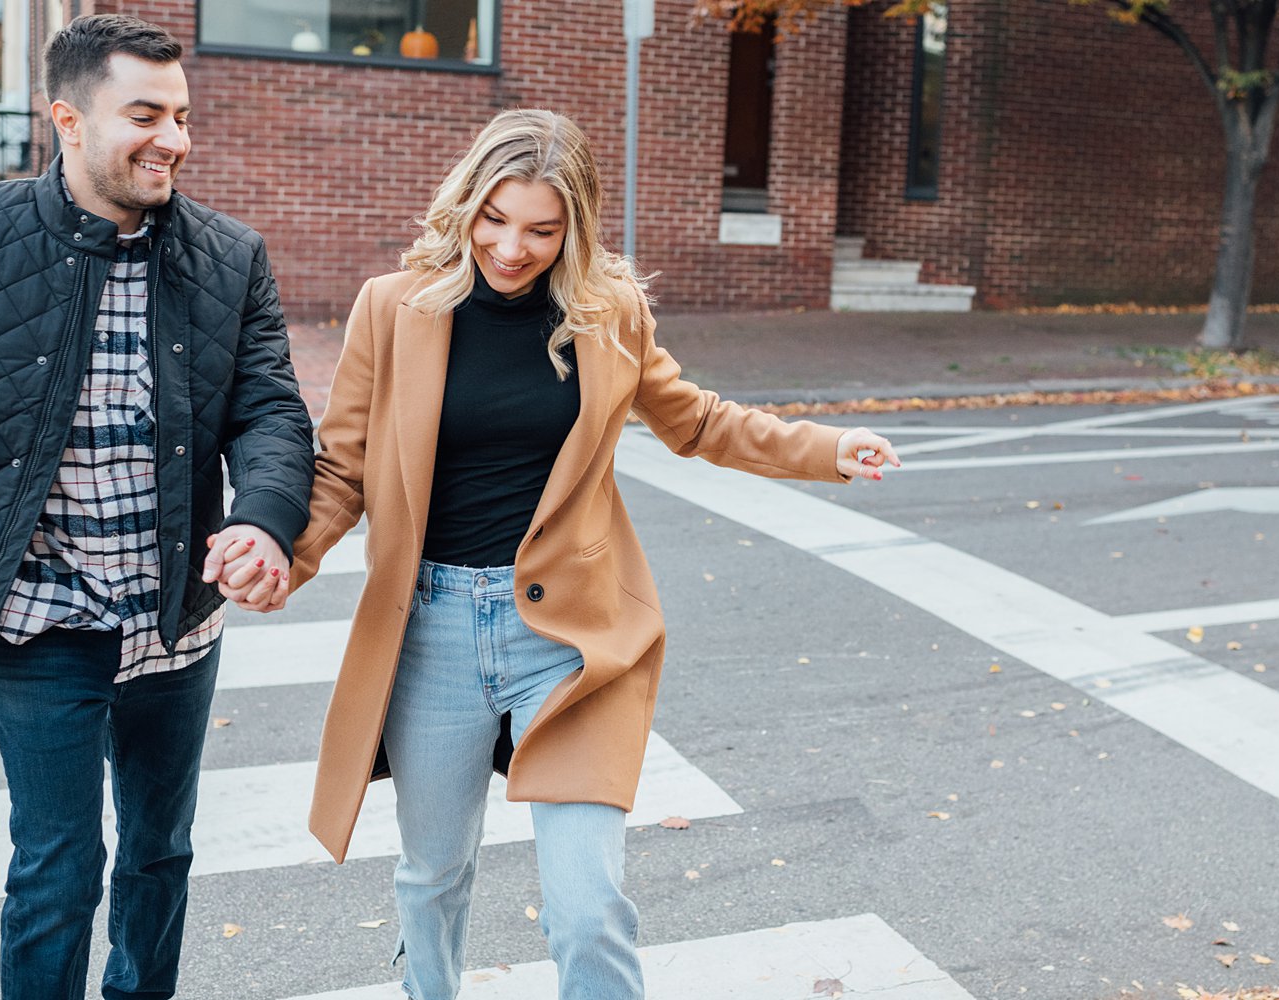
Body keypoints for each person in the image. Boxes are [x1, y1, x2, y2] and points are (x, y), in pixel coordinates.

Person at [215, 108, 901, 999]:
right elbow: (343, 467)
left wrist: (826, 450)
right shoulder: (395, 308)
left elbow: (693, 420)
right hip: (433, 632)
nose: (511, 247)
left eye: (541, 229)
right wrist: (284, 556)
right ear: (466, 203)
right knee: (433, 877)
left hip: (571, 641)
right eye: (494, 219)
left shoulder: (607, 310)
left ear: (575, 224)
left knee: (589, 907)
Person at [0, 14, 313, 1000]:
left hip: (170, 618)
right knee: (58, 867)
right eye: (144, 114)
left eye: (181, 116)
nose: (174, 139)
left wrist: (265, 518)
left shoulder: (229, 258)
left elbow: (270, 405)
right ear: (68, 118)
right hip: (39, 610)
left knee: (158, 851)